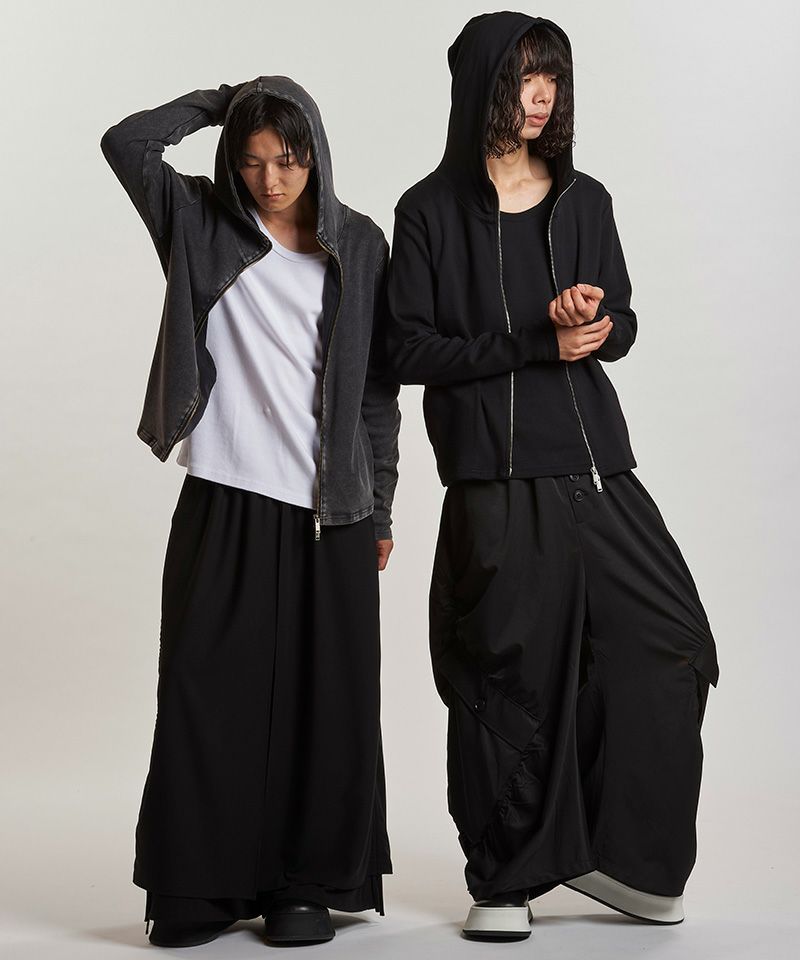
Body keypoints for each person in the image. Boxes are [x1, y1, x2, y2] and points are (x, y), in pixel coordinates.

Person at [385, 12, 720, 941]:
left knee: (671, 645)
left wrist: (595, 320)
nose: (542, 96)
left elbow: (626, 325)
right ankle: (505, 879)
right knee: (507, 675)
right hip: (493, 478)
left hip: (596, 466)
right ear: (482, 85)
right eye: (525, 76)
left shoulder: (587, 201)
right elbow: (406, 348)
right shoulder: (427, 211)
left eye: (554, 78)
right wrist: (535, 339)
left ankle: (620, 857)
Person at [100, 76, 400, 948]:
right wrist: (227, 100)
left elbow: (377, 390)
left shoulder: (361, 244)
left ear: (317, 157)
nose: (272, 180)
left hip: (330, 509)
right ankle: (199, 887)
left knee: (326, 704)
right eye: (254, 160)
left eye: (289, 160)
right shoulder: (197, 219)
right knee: (206, 691)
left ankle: (303, 886)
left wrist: (380, 507)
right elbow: (126, 143)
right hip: (226, 492)